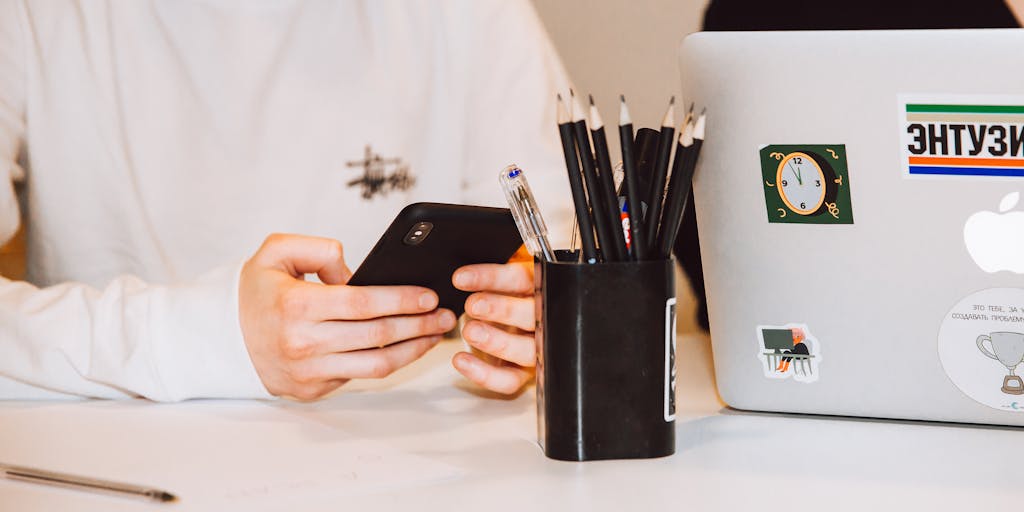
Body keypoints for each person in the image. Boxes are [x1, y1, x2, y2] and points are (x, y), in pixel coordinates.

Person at [0, 0, 572, 401]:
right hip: (116, 456)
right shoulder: (36, 15)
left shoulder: (474, 13)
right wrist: (210, 337)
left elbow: (556, 228)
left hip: (420, 461)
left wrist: (532, 310)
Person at [675, 0, 1023, 333]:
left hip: (967, 314)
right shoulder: (744, 14)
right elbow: (713, 201)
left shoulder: (978, 12)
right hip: (799, 327)